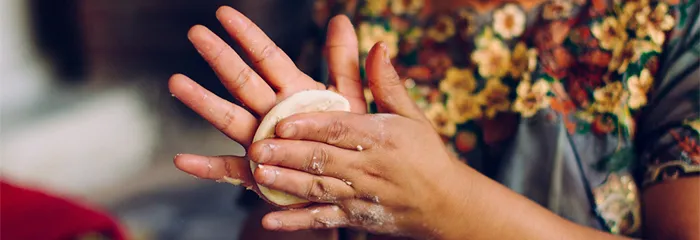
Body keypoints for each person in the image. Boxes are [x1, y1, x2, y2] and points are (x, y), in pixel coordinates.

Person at [168, 0, 699, 239]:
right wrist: (306, 187)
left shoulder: (670, 22)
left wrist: (452, 203)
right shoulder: (356, 12)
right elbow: (269, 232)